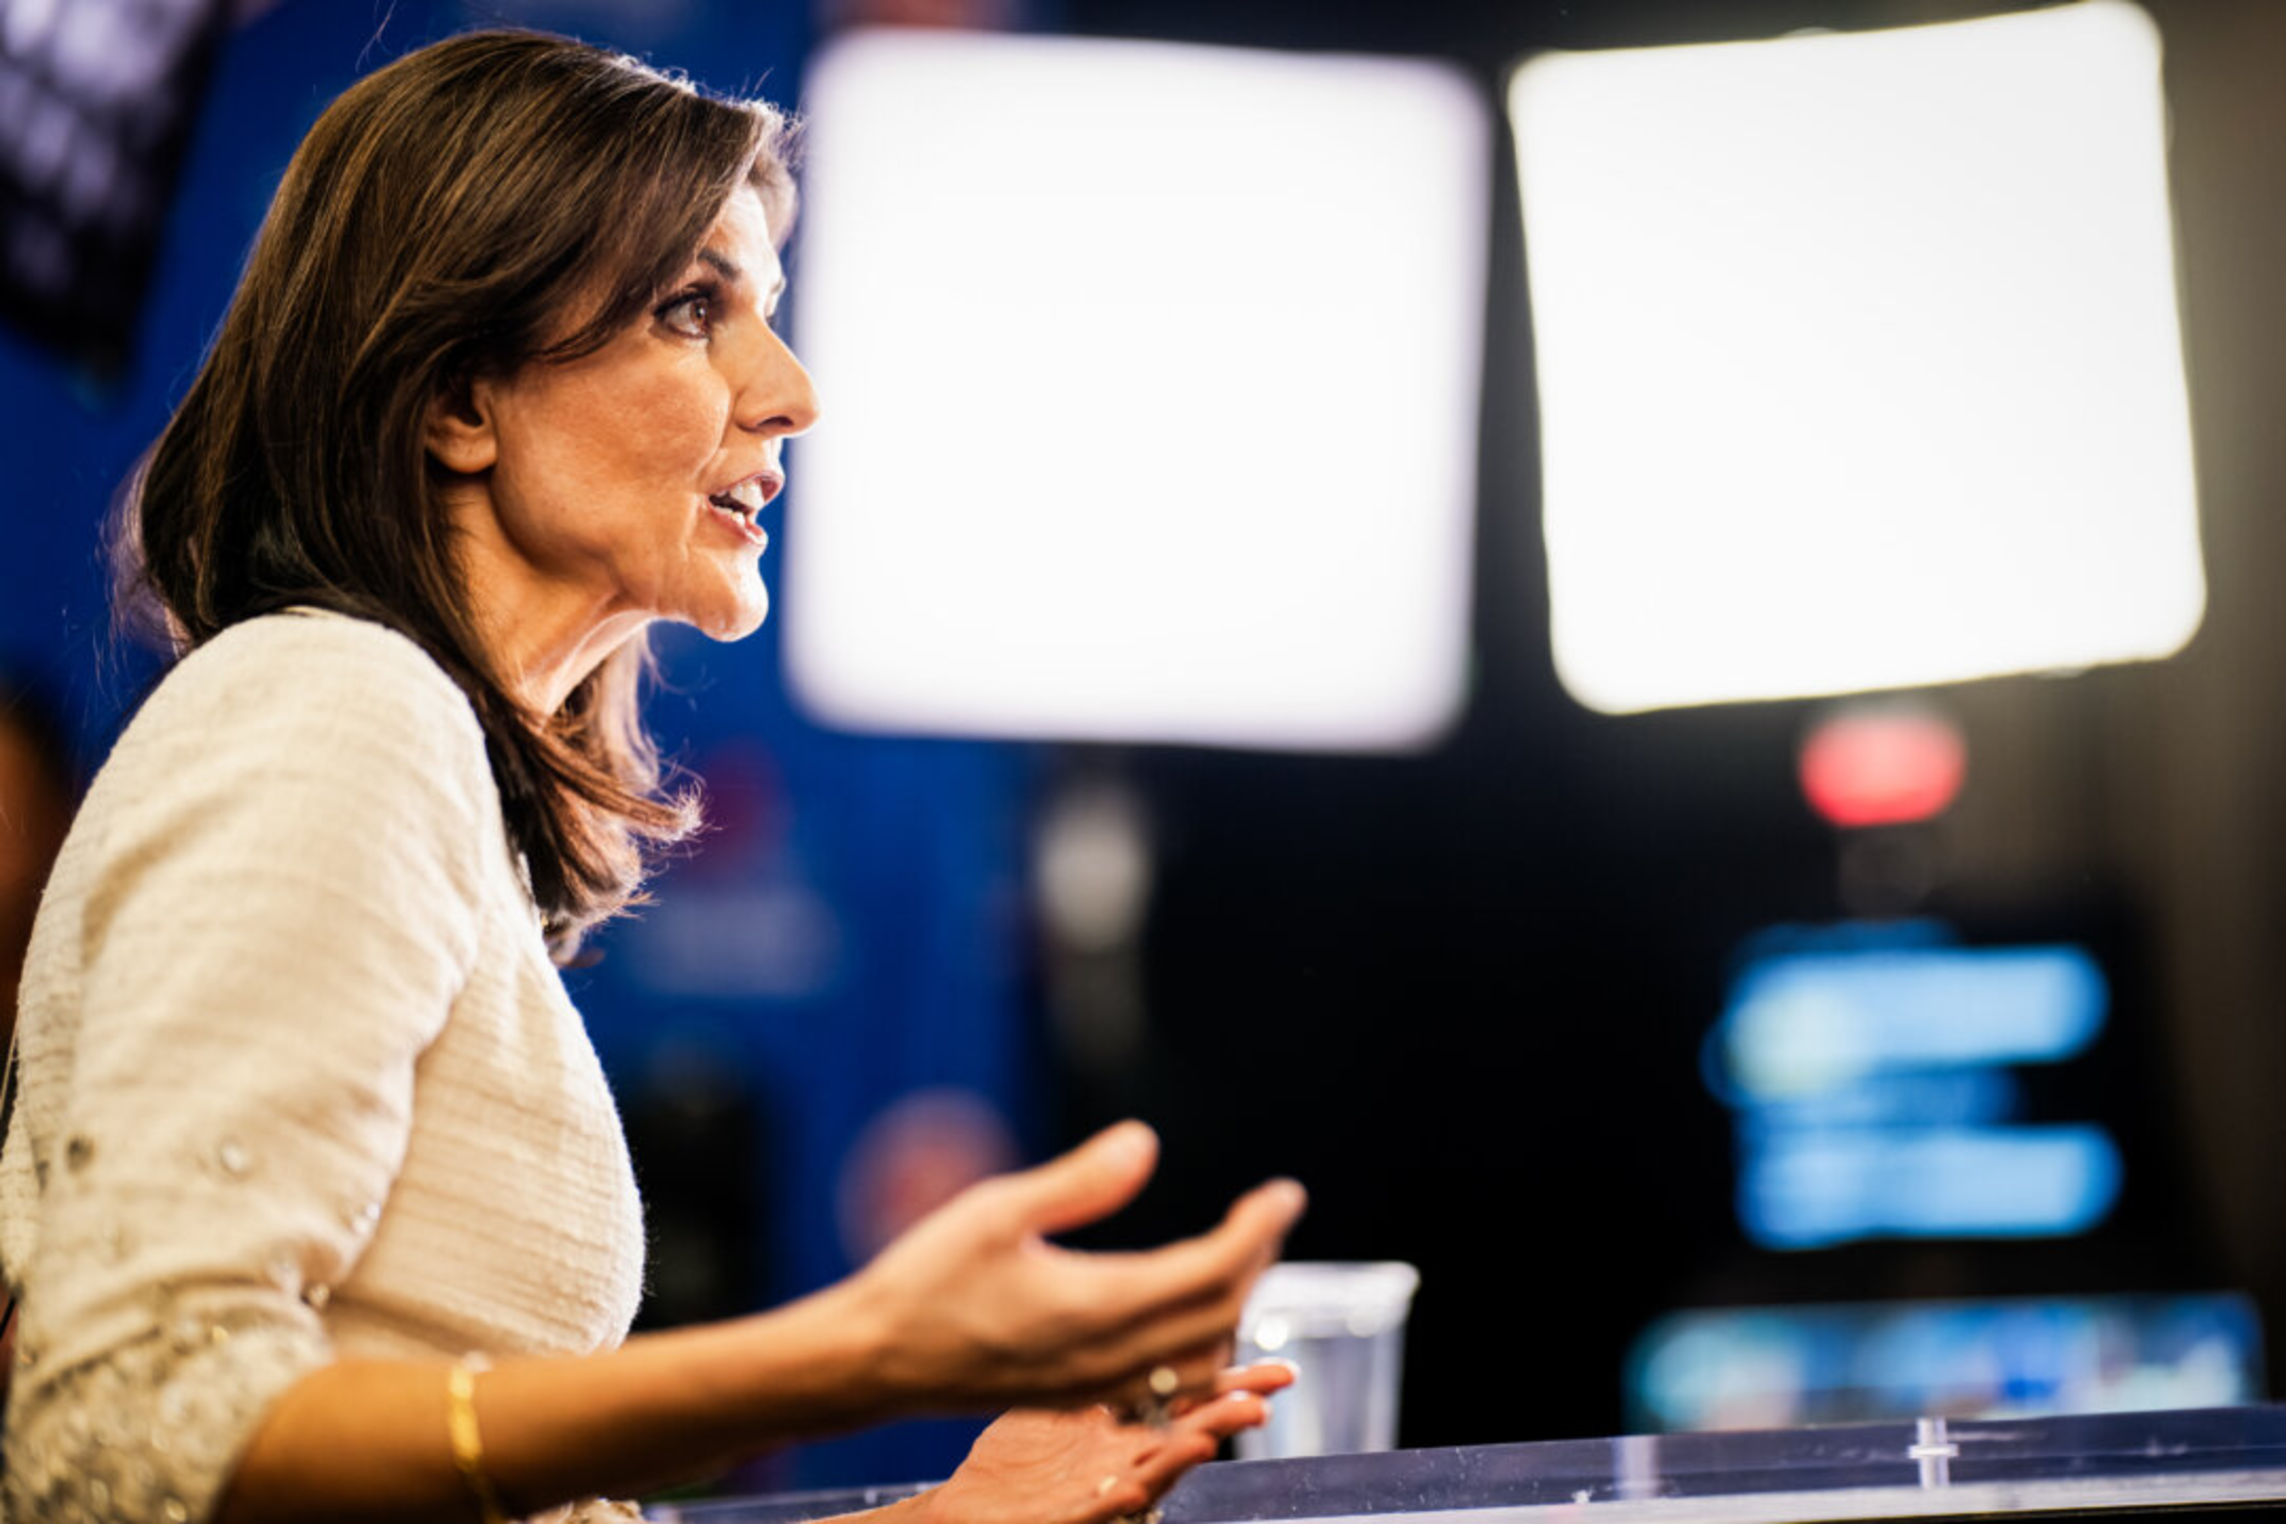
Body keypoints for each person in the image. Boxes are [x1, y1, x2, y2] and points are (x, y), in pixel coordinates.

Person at [0, 29, 1306, 1524]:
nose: (793, 391)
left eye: (769, 314)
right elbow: (127, 1434)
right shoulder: (332, 706)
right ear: (460, 399)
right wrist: (846, 1358)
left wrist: (938, 1523)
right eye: (693, 310)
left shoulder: (404, 744)